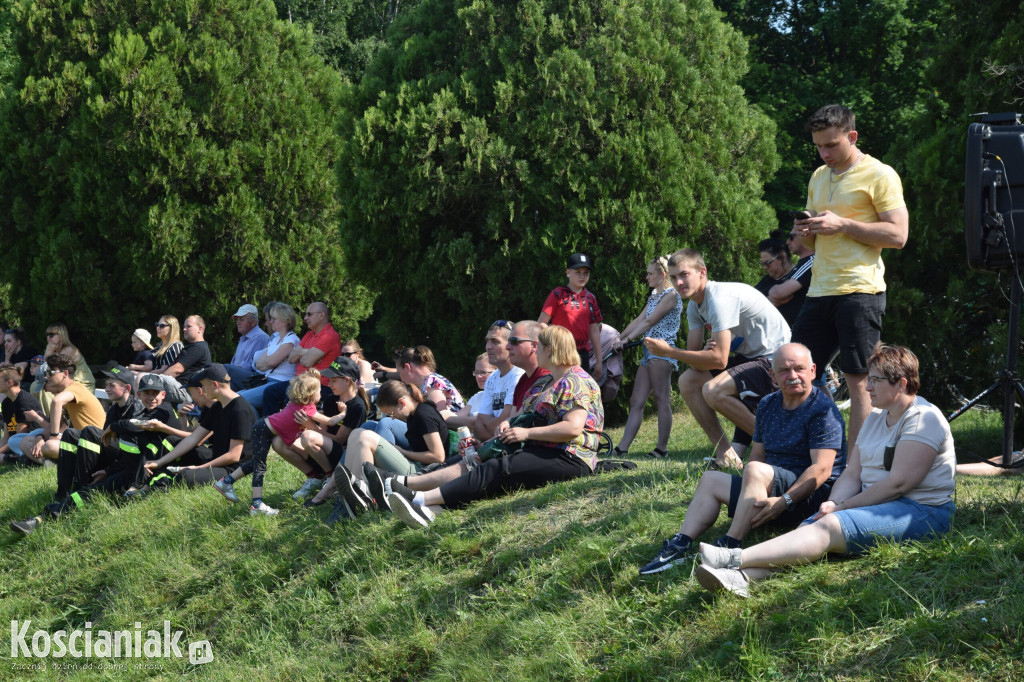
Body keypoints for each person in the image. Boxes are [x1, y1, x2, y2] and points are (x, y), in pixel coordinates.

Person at [694, 344, 954, 599]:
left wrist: (843, 508)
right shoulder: (876, 417)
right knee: (815, 525)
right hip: (876, 503)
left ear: (901, 383)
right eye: (869, 379)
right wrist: (832, 503)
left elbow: (898, 484)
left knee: (828, 526)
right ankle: (742, 578)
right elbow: (852, 473)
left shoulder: (923, 419)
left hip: (922, 511)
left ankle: (733, 558)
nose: (867, 386)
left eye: (875, 380)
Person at [638, 343, 845, 574]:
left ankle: (730, 545)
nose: (793, 376)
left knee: (756, 470)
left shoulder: (823, 409)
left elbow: (822, 469)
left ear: (813, 371)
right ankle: (680, 544)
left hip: (809, 498)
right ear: (773, 376)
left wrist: (783, 501)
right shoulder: (767, 404)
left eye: (799, 369)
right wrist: (753, 493)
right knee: (711, 479)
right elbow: (757, 454)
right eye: (784, 371)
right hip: (772, 490)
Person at [383, 325, 604, 529]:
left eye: (540, 348)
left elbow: (573, 429)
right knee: (489, 462)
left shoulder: (576, 380)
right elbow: (523, 419)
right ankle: (431, 509)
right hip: (544, 450)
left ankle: (417, 498)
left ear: (550, 349)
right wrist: (492, 441)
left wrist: (526, 433)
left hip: (571, 456)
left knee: (499, 468)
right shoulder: (545, 382)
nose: (537, 352)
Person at [791, 104, 908, 446]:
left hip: (860, 291)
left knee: (860, 382)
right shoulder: (818, 176)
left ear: (852, 136)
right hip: (819, 290)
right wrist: (805, 229)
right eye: (818, 146)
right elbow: (814, 240)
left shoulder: (879, 174)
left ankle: (854, 469)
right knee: (796, 373)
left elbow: (898, 235)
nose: (824, 153)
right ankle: (817, 453)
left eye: (832, 145)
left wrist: (841, 224)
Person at [645, 248, 790, 469]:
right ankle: (727, 457)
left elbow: (719, 360)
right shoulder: (694, 306)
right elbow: (695, 361)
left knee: (714, 390)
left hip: (776, 362)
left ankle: (781, 446)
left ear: (702, 272)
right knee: (689, 380)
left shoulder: (720, 299)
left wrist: (670, 352)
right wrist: (704, 354)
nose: (679, 282)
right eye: (674, 277)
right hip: (750, 359)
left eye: (685, 274)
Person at [10, 365, 146, 536]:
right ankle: (63, 493)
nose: (107, 388)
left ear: (127, 388)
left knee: (89, 431)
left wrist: (108, 470)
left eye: (112, 385)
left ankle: (77, 490)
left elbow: (136, 450)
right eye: (107, 384)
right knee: (71, 434)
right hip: (115, 463)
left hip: (125, 468)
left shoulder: (137, 409)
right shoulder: (113, 410)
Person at [213, 369, 344, 515]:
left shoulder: (294, 403)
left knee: (256, 463)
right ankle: (256, 504)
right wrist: (343, 412)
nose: (321, 394)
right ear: (312, 394)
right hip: (263, 431)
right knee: (259, 466)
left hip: (262, 428)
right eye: (319, 391)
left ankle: (227, 482)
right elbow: (331, 421)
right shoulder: (307, 409)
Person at [334, 379, 451, 520]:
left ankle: (364, 497)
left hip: (423, 472)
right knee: (356, 433)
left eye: (392, 412)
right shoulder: (415, 414)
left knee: (365, 437)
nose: (393, 417)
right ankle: (351, 494)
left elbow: (438, 456)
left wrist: (403, 452)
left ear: (402, 402)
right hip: (416, 465)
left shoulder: (424, 415)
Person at [609, 255, 682, 458]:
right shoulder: (654, 295)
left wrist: (626, 340)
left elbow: (649, 322)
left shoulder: (671, 295)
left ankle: (662, 449)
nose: (647, 277)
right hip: (648, 350)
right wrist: (617, 338)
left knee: (661, 399)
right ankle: (622, 448)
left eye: (650, 274)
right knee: (636, 400)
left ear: (662, 275)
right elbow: (639, 319)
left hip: (662, 350)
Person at [144, 366, 257, 487]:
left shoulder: (240, 409)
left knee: (186, 476)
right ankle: (149, 482)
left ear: (214, 385)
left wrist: (198, 468)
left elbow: (234, 456)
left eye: (203, 385)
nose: (202, 390)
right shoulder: (218, 406)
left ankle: (158, 486)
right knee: (177, 455)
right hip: (217, 461)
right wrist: (158, 462)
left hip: (234, 470)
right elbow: (193, 439)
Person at [295, 357, 371, 504]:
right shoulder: (331, 400)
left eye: (333, 380)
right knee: (280, 442)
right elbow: (323, 429)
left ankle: (330, 477)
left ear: (347, 380)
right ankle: (315, 477)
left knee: (308, 436)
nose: (328, 384)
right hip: (326, 447)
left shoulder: (357, 406)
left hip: (343, 455)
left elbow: (339, 440)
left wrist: (312, 427)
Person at [19, 353, 105, 463]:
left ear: (65, 373)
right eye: (45, 373)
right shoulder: (66, 394)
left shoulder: (76, 389)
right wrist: (40, 437)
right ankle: (48, 461)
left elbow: (56, 402)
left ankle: (47, 460)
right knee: (25, 441)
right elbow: (60, 424)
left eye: (50, 373)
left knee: (50, 445)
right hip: (78, 440)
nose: (47, 377)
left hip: (92, 444)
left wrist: (53, 437)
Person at [261, 302, 342, 416]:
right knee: (270, 392)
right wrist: (309, 353)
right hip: (299, 381)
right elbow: (292, 358)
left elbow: (305, 361)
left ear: (321, 315)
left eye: (309, 314)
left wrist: (302, 352)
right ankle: (271, 427)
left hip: (319, 385)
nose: (305, 318)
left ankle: (285, 430)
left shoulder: (329, 335)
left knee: (290, 395)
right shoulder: (309, 334)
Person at [447, 322, 524, 439]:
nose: (488, 346)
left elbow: (507, 421)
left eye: (495, 341)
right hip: (490, 444)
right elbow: (479, 425)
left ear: (510, 345)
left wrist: (488, 426)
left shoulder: (519, 375)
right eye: (487, 341)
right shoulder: (492, 379)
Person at [538, 253, 603, 378]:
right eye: (578, 272)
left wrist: (599, 361)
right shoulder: (557, 294)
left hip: (582, 354)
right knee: (559, 389)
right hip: (559, 353)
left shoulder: (591, 298)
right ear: (568, 272)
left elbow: (594, 330)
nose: (582, 276)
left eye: (586, 273)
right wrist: (555, 342)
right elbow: (541, 323)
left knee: (581, 392)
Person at [238, 302, 302, 415]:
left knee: (239, 400)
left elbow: (270, 362)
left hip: (280, 383)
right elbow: (259, 364)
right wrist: (267, 362)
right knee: (233, 397)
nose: (270, 322)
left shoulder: (291, 340)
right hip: (267, 380)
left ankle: (258, 428)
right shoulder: (276, 339)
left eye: (274, 319)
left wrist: (267, 361)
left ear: (285, 321)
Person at [754, 237, 813, 327]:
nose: (765, 267)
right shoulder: (766, 280)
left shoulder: (798, 277)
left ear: (782, 256)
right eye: (763, 264)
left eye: (768, 263)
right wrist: (770, 301)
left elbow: (778, 294)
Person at [0, 365, 46, 463]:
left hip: (30, 441)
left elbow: (20, 435)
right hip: (14, 443)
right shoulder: (6, 403)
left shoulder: (23, 401)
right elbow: (6, 436)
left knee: (13, 442)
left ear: (9, 383)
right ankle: (15, 458)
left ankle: (16, 458)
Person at [223, 303, 271, 390]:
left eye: (241, 319)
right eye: (237, 320)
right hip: (237, 379)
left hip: (251, 381)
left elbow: (250, 367)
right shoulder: (243, 338)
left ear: (253, 322)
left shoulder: (260, 338)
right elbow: (234, 364)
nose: (238, 322)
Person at [160, 315, 213, 387]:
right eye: (184, 327)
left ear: (200, 329)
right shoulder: (198, 347)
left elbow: (177, 370)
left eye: (189, 326)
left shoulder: (197, 347)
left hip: (184, 389)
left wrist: (157, 381)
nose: (184, 329)